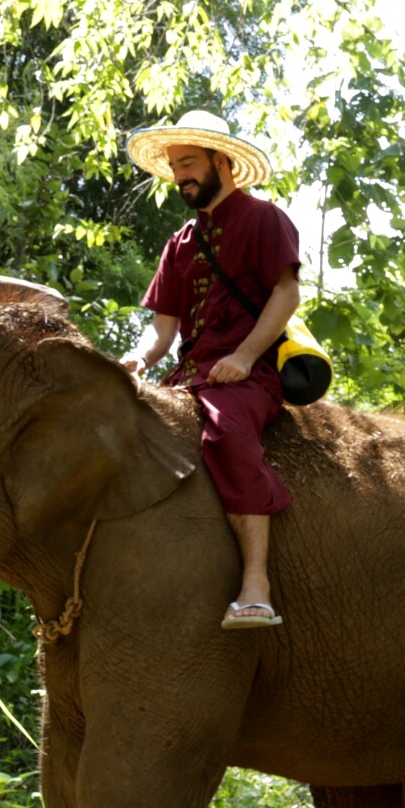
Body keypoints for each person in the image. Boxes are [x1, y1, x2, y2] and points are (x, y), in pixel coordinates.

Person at [123, 109, 299, 630]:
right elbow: (163, 328)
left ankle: (256, 587)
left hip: (252, 376)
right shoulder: (179, 243)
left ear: (221, 160)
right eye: (175, 166)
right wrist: (136, 360)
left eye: (190, 163)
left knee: (225, 434)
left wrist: (244, 357)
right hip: (189, 376)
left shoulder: (265, 219)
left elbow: (286, 294)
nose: (181, 175)